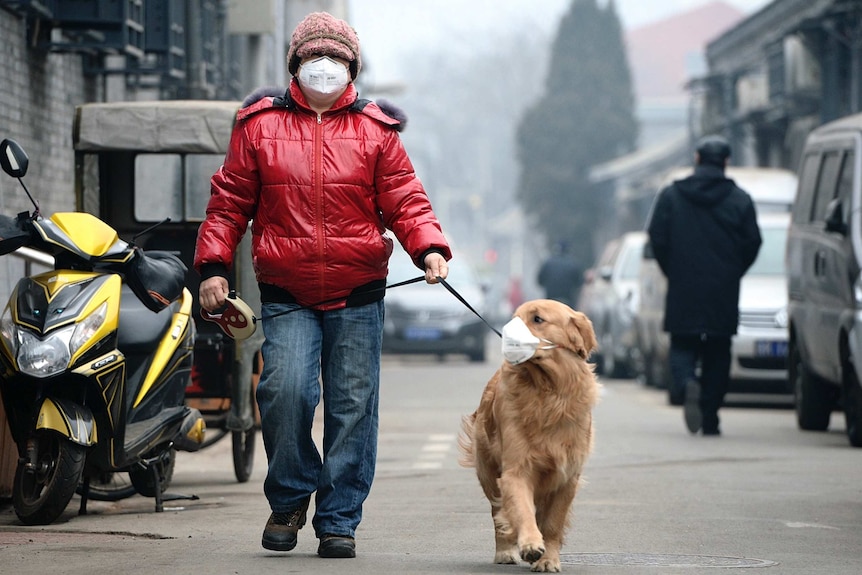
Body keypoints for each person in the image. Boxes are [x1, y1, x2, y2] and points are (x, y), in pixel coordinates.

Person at [193, 11, 451, 559]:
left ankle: (339, 520)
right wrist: (213, 267)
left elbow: (406, 200)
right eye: (315, 56)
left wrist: (428, 248)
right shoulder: (258, 124)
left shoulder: (377, 130)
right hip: (287, 293)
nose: (325, 66)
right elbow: (229, 201)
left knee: (352, 406)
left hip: (357, 293)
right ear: (296, 62)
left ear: (352, 65)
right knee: (284, 394)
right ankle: (288, 499)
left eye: (336, 57)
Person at [646, 135, 761, 436]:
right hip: (723, 289)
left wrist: (673, 269)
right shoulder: (740, 199)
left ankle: (687, 384)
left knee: (683, 344)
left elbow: (657, 237)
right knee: (718, 351)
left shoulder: (672, 195)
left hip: (684, 285)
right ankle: (710, 416)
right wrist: (734, 271)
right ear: (726, 162)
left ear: (696, 159)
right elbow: (753, 242)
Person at [537, 241, 583, 307]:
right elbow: (579, 283)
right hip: (567, 300)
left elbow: (540, 281)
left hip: (551, 300)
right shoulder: (574, 264)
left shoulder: (547, 263)